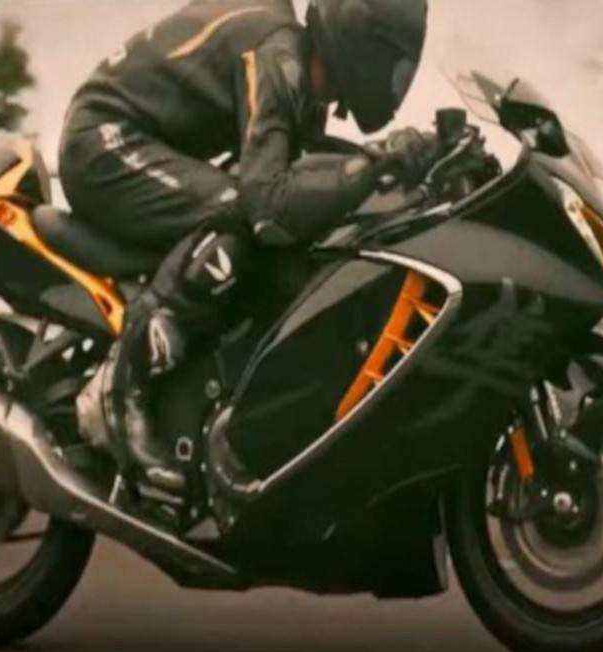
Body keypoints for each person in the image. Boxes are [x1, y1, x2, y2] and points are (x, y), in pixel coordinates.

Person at [59, 0, 437, 492]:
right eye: (394, 64)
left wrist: (402, 159)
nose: (395, 80)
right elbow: (267, 202)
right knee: (241, 212)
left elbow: (307, 178)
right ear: (361, 40)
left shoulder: (296, 69)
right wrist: (374, 164)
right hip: (101, 139)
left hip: (137, 141)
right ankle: (121, 389)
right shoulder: (278, 56)